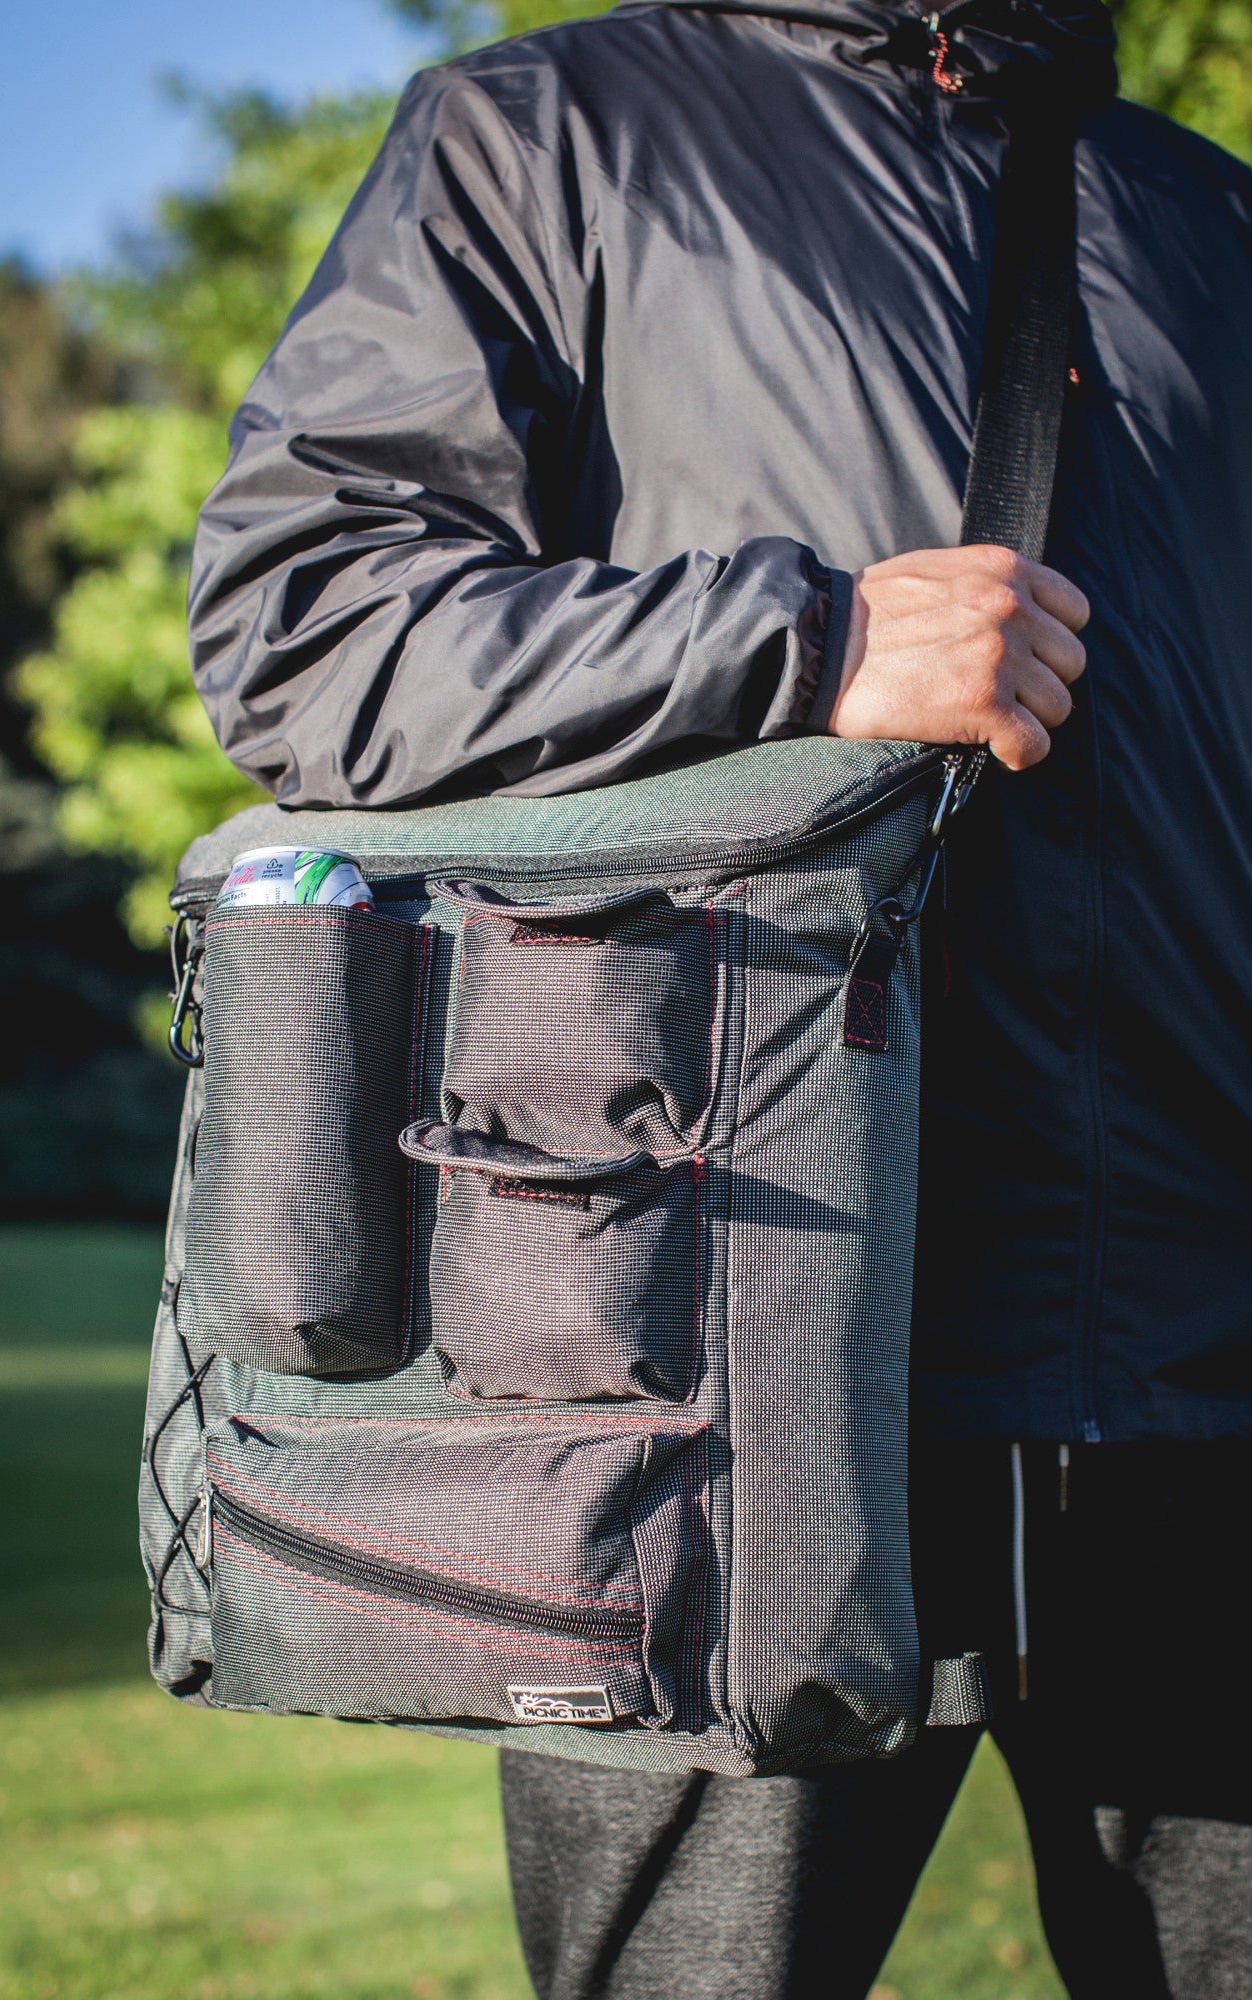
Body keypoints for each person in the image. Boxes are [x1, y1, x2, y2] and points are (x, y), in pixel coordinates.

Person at [185, 0, 1252, 1992]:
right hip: (732, 1357)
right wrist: (813, 633)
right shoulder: (546, 134)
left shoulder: (1206, 214)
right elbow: (302, 619)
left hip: (1208, 1370)